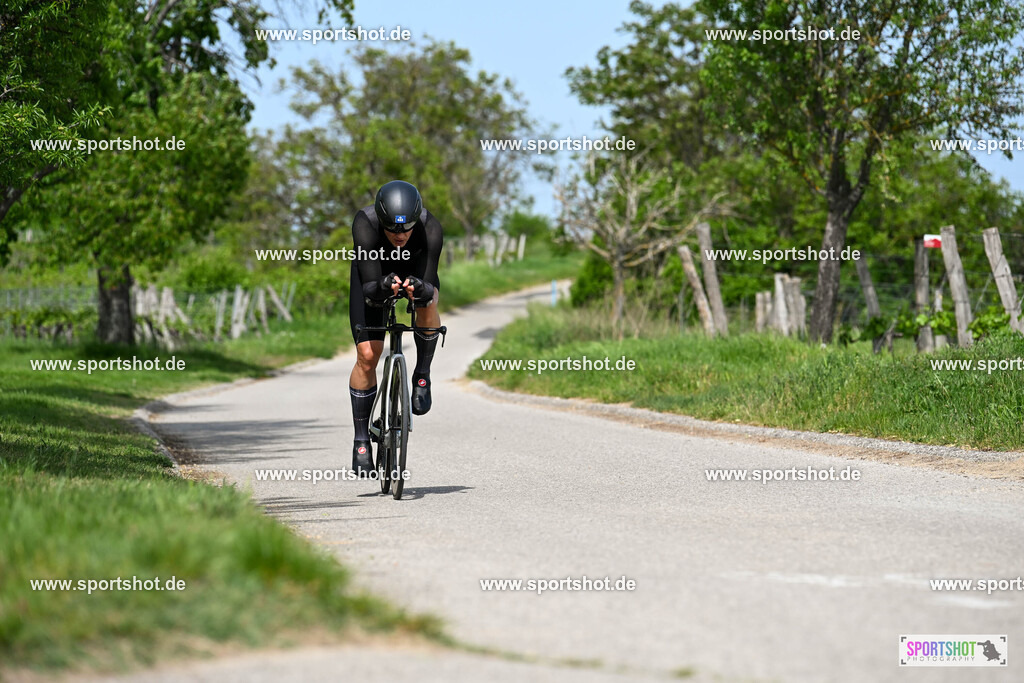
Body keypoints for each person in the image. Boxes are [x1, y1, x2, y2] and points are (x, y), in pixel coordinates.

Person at [348, 180, 443, 474]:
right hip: (374, 276)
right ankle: (361, 439)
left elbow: (429, 284)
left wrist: (418, 289)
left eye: (406, 229)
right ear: (381, 220)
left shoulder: (430, 228)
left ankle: (422, 376)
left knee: (428, 302)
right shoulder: (365, 224)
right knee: (367, 356)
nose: (399, 236)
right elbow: (369, 289)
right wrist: (385, 286)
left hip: (415, 273)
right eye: (392, 229)